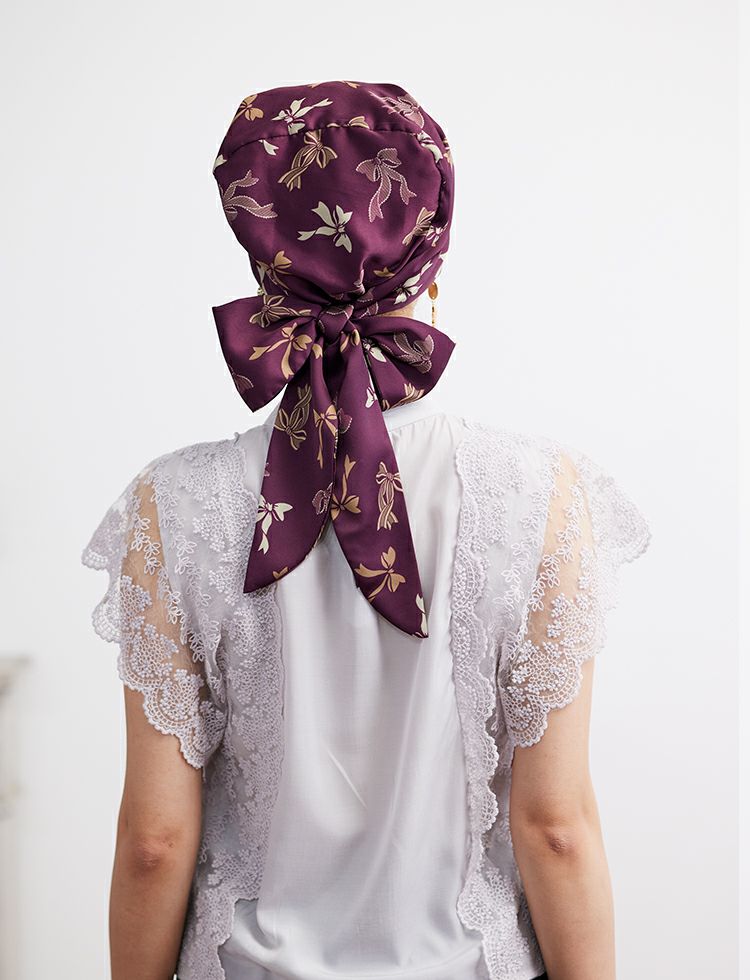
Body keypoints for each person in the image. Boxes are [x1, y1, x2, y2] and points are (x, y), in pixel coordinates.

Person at [81, 80, 651, 980]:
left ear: (266, 265)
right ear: (432, 266)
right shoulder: (542, 496)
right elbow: (556, 828)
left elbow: (154, 841)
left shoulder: (172, 507)